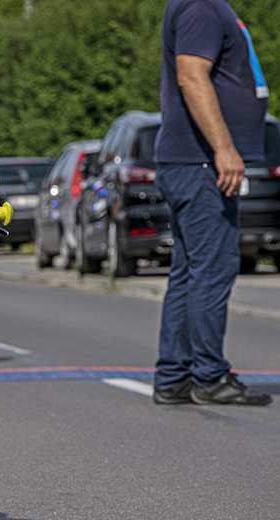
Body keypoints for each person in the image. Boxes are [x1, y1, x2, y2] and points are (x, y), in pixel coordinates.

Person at [152, 0, 271, 406]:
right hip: (201, 163)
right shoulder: (201, 6)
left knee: (191, 271)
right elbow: (191, 75)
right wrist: (224, 148)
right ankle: (209, 374)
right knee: (211, 270)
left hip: (193, 163)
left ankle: (175, 376)